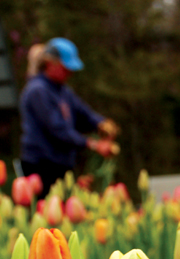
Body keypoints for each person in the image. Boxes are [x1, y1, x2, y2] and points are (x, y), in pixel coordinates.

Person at [19, 37, 119, 197]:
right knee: (46, 215)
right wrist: (93, 145)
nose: (70, 73)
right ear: (51, 63)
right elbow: (58, 129)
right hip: (42, 167)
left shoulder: (62, 91)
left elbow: (83, 114)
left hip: (62, 165)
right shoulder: (38, 91)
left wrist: (102, 124)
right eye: (66, 68)